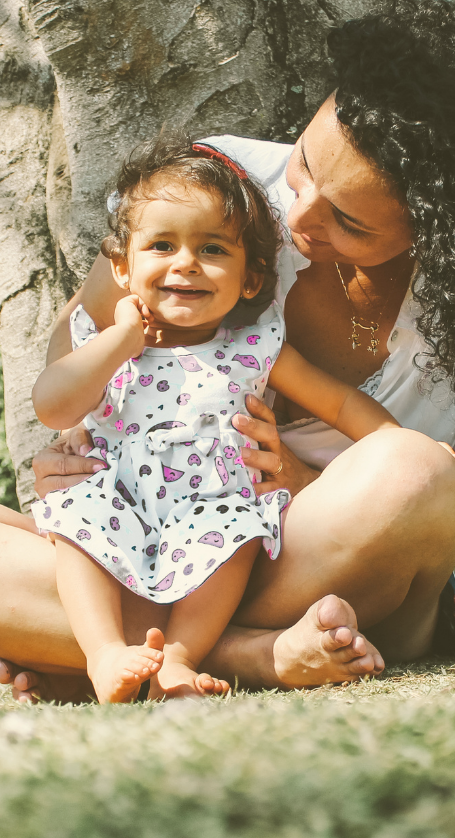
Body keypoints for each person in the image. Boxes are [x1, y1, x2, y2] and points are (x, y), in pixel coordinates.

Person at [0, 2, 455, 702]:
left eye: (349, 221)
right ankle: (241, 656)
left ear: (436, 235)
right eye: (306, 164)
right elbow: (79, 327)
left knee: (415, 472)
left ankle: (95, 648)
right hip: (142, 534)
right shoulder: (221, 189)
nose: (296, 216)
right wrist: (76, 438)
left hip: (311, 565)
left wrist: (307, 484)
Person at [32, 136, 398, 701]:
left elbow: (342, 402)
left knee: (238, 529)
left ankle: (179, 657)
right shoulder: (105, 342)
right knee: (76, 519)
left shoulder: (254, 347)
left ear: (250, 279)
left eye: (213, 250)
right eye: (161, 245)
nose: (185, 263)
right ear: (123, 268)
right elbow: (53, 405)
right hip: (116, 500)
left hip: (211, 507)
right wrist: (122, 338)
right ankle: (103, 653)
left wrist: (392, 446)